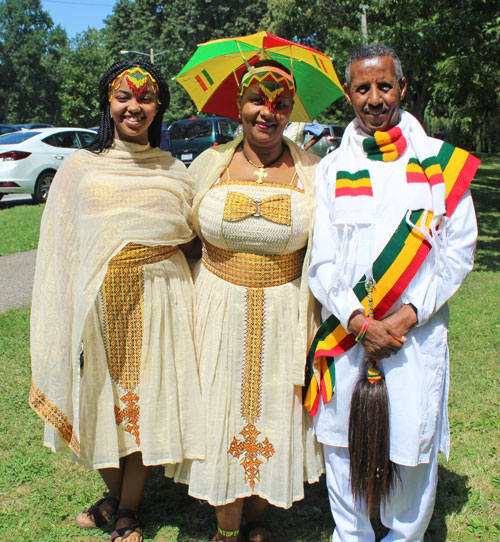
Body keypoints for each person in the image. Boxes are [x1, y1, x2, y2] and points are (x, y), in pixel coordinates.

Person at [306, 44, 479, 541]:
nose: (375, 98)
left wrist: (407, 317)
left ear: (402, 87)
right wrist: (359, 323)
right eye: (363, 88)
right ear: (348, 94)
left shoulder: (440, 163)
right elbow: (322, 261)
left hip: (413, 340)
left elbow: (458, 251)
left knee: (411, 445)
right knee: (342, 446)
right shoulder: (330, 168)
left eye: (385, 86)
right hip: (349, 337)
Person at [30, 60, 204, 542]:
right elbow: (62, 246)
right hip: (99, 305)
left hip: (162, 302)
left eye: (145, 98)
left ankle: (127, 508)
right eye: (123, 96)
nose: (135, 106)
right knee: (102, 404)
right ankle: (115, 493)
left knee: (145, 404)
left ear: (159, 106)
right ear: (108, 102)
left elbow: (192, 235)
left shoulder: (174, 170)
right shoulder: (79, 169)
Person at [171, 59, 324, 542]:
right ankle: (225, 527)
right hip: (214, 308)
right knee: (221, 409)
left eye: (280, 104)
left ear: (291, 110)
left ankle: (258, 520)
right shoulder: (209, 164)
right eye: (258, 100)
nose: (268, 112)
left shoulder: (314, 171)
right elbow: (179, 231)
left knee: (273, 408)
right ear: (238, 104)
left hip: (285, 311)